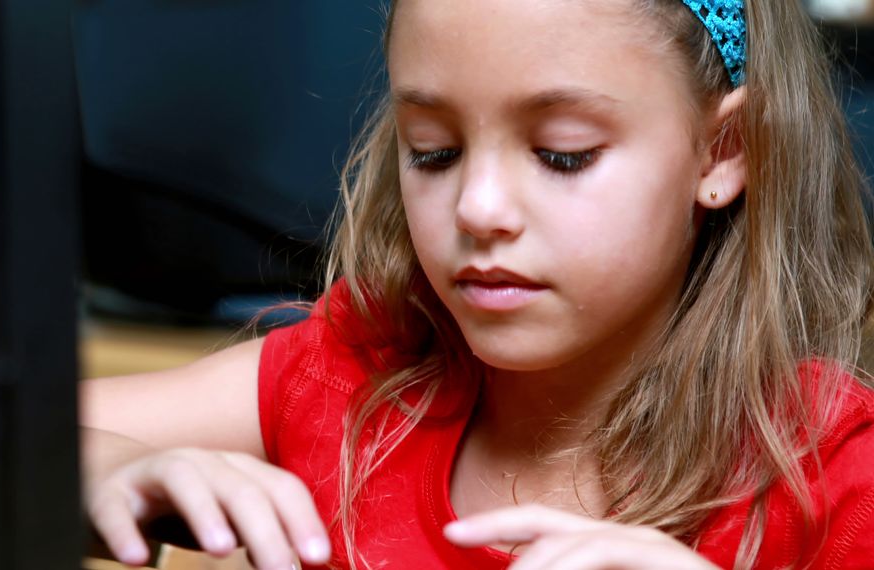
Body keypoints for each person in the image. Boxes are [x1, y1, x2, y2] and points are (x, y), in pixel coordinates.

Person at [80, 0, 874, 568]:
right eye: (432, 151)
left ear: (721, 151)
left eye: (563, 154)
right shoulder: (357, 371)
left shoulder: (833, 476)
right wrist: (109, 471)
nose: (478, 208)